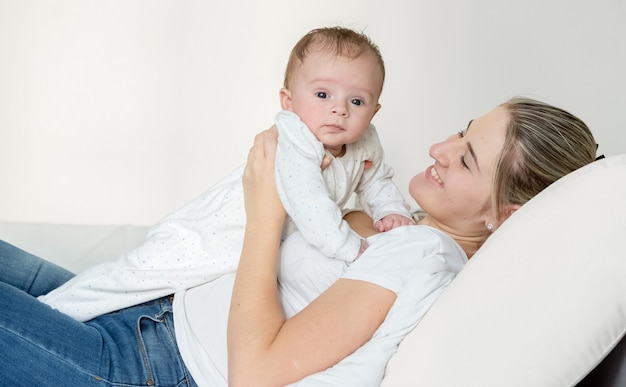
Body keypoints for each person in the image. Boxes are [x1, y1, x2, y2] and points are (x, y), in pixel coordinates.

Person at [0, 97, 598, 386]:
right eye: (462, 130)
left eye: (466, 159)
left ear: (506, 218)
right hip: (148, 316)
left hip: (145, 365)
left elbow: (256, 373)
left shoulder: (424, 256)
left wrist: (267, 210)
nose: (440, 149)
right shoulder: (408, 234)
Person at [36, 27, 413, 322]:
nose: (339, 110)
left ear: (374, 111)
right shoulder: (295, 139)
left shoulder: (366, 142)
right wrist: (351, 249)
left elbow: (376, 180)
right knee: (127, 281)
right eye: (322, 95)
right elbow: (311, 206)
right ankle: (47, 314)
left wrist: (390, 212)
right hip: (205, 237)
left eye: (356, 101)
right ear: (289, 102)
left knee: (136, 299)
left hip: (244, 252)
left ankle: (51, 309)